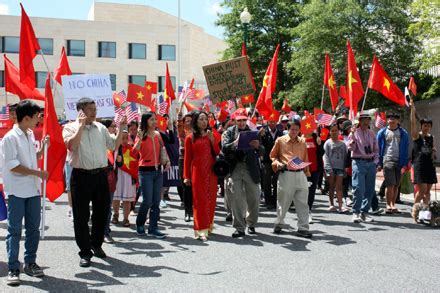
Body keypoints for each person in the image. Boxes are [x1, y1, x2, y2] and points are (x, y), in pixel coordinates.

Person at [63, 97, 126, 267]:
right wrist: (81, 127)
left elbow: (113, 146)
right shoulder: (69, 127)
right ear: (81, 111)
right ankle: (85, 252)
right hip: (81, 176)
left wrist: (122, 128)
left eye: (95, 108)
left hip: (100, 176)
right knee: (81, 216)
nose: (94, 111)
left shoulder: (101, 128)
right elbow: (72, 146)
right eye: (90, 109)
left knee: (101, 213)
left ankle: (96, 245)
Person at [3, 100, 49, 286]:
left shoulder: (29, 134)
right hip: (16, 190)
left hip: (32, 189)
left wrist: (42, 150)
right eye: (37, 117)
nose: (39, 120)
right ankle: (13, 268)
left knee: (33, 229)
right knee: (14, 230)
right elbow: (13, 166)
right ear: (27, 118)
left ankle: (30, 262)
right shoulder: (10, 138)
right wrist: (38, 173)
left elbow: (30, 160)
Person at [222, 108, 264, 238]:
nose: (241, 123)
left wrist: (257, 146)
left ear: (247, 120)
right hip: (235, 168)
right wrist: (235, 143)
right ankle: (239, 227)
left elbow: (262, 151)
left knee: (254, 197)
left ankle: (251, 223)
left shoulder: (253, 132)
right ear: (235, 120)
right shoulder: (229, 132)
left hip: (250, 168)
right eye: (239, 121)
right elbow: (224, 148)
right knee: (237, 199)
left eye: (244, 120)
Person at [270, 119, 312, 238]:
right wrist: (278, 164)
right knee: (283, 202)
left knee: (303, 203)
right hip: (286, 174)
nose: (294, 132)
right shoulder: (280, 140)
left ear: (299, 130)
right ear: (287, 129)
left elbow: (305, 157)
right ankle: (279, 222)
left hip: (300, 174)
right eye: (292, 129)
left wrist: (307, 173)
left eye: (296, 129)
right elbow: (272, 156)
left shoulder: (303, 142)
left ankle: (303, 227)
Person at [183, 111, 220, 241]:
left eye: (205, 119)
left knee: (211, 199)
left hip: (211, 172)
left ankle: (209, 225)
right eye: (201, 119)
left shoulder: (213, 134)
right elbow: (187, 159)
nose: (204, 122)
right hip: (197, 172)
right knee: (199, 201)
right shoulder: (189, 137)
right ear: (195, 122)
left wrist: (212, 139)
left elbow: (217, 151)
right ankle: (200, 230)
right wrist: (186, 176)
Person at [134, 112, 170, 239]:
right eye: (151, 120)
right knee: (147, 201)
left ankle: (153, 228)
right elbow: (134, 152)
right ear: (145, 122)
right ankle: (140, 224)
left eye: (155, 119)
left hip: (158, 171)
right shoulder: (141, 135)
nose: (155, 122)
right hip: (145, 171)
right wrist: (138, 139)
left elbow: (163, 149)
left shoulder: (158, 135)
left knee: (156, 201)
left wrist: (167, 161)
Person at [348, 113, 379, 223]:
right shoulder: (354, 133)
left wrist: (375, 162)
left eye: (368, 120)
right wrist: (351, 137)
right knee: (358, 188)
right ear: (359, 121)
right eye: (364, 120)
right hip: (358, 162)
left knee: (370, 189)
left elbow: (376, 150)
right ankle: (355, 212)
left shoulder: (371, 133)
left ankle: (364, 212)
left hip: (370, 163)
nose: (366, 122)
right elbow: (351, 148)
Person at [377, 112, 410, 214]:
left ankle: (393, 204)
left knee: (396, 185)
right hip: (388, 160)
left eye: (395, 118)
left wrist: (405, 163)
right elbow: (377, 148)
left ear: (398, 121)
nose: (392, 120)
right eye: (390, 118)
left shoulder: (403, 133)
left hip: (400, 162)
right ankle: (388, 205)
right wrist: (379, 163)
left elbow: (406, 148)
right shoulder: (382, 132)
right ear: (387, 120)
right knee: (390, 184)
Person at [410, 100, 437, 213]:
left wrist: (434, 152)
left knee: (428, 192)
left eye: (428, 126)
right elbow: (413, 124)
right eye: (425, 125)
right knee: (422, 191)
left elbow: (433, 150)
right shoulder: (416, 136)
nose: (427, 128)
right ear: (421, 126)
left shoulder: (432, 137)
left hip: (429, 166)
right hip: (419, 166)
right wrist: (412, 110)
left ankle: (425, 212)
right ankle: (415, 210)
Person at [112, 131, 137, 227]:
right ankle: (116, 215)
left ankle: (126, 218)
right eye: (122, 138)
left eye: (126, 138)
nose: (125, 140)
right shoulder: (114, 149)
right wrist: (116, 160)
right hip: (117, 175)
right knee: (116, 197)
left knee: (127, 199)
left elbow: (135, 163)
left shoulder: (131, 149)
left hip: (128, 177)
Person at [323, 123, 349, 213]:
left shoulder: (343, 144)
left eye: (336, 130)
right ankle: (331, 204)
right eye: (332, 131)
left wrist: (346, 167)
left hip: (340, 168)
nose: (334, 132)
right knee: (331, 186)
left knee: (339, 187)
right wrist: (327, 168)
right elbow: (325, 156)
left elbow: (346, 156)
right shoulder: (328, 143)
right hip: (330, 168)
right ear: (329, 132)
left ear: (339, 132)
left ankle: (341, 206)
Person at [260, 114, 283, 210]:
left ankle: (275, 200)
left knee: (276, 181)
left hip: (277, 161)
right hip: (266, 161)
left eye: (274, 121)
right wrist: (260, 136)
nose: (272, 123)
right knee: (266, 182)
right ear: (267, 122)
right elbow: (260, 146)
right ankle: (268, 201)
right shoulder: (263, 133)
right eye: (271, 122)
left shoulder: (281, 133)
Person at [177, 110, 194, 222]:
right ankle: (187, 211)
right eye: (186, 121)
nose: (188, 123)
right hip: (183, 160)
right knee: (186, 186)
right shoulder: (182, 132)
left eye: (190, 121)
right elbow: (178, 124)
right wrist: (179, 115)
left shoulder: (198, 133)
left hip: (196, 162)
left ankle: (196, 210)